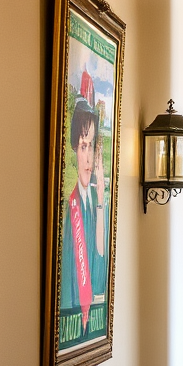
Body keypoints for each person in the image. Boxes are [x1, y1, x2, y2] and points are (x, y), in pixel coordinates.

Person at [60, 68, 106, 335]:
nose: (88, 159)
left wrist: (101, 201)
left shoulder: (96, 204)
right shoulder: (70, 206)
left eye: (92, 145)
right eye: (83, 146)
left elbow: (100, 267)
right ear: (75, 149)